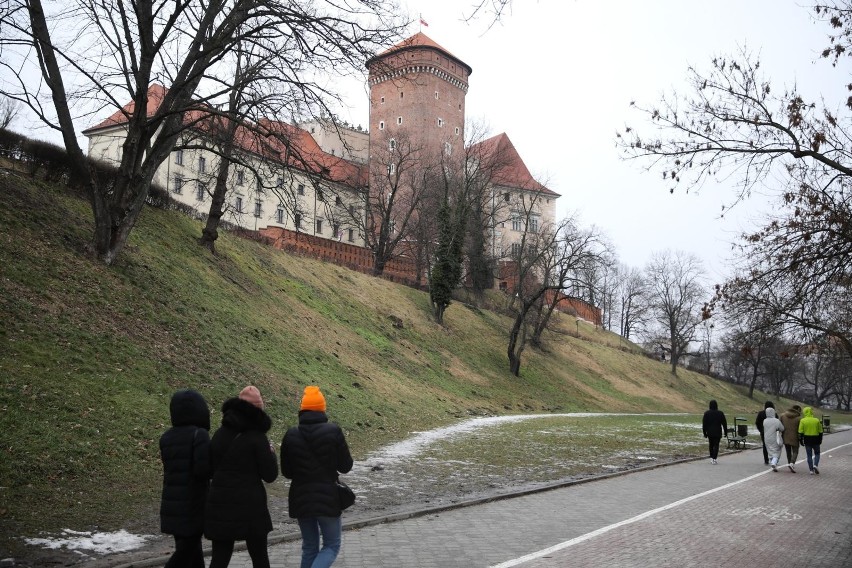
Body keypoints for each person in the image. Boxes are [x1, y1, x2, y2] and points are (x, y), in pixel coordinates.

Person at [205, 386, 279, 568]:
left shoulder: (219, 434)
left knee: (220, 558)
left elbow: (210, 468)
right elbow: (270, 475)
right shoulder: (257, 437)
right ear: (257, 410)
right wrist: (271, 454)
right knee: (259, 557)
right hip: (250, 506)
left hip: (220, 503)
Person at [281, 386, 354, 568]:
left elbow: (287, 472)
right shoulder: (333, 431)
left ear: (302, 409)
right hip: (328, 497)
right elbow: (346, 466)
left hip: (301, 497)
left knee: (310, 547)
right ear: (322, 408)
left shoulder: (291, 434)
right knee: (331, 545)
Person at [159, 389, 211, 568]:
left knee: (192, 552)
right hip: (193, 504)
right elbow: (203, 470)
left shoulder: (167, 437)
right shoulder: (199, 435)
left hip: (172, 504)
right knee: (185, 553)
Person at [798, 406, 824, 475]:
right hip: (816, 439)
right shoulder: (816, 420)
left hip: (807, 439)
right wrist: (820, 439)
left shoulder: (802, 421)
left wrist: (801, 440)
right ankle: (815, 465)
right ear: (811, 412)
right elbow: (820, 431)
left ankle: (811, 470)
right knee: (817, 453)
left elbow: (800, 432)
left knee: (809, 455)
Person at [701, 400, 727, 464]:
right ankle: (714, 458)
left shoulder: (707, 413)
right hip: (718, 431)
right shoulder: (720, 413)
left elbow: (704, 424)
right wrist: (725, 432)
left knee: (711, 444)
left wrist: (704, 432)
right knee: (716, 445)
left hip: (710, 432)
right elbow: (724, 423)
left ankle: (711, 457)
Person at [778, 404, 802, 472]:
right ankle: (792, 463)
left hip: (785, 436)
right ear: (798, 410)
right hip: (795, 437)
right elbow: (800, 429)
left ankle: (789, 463)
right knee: (795, 451)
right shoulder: (798, 418)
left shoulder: (783, 416)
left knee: (788, 451)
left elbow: (779, 425)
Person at [762, 407, 785, 471]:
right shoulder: (776, 421)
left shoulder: (765, 421)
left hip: (766, 438)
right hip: (775, 438)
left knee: (770, 451)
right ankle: (774, 463)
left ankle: (773, 464)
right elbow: (782, 428)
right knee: (777, 451)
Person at [755, 400, 775, 465]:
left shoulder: (761, 413)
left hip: (764, 431)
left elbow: (757, 422)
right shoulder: (774, 413)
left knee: (765, 445)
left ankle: (766, 460)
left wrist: (760, 429)